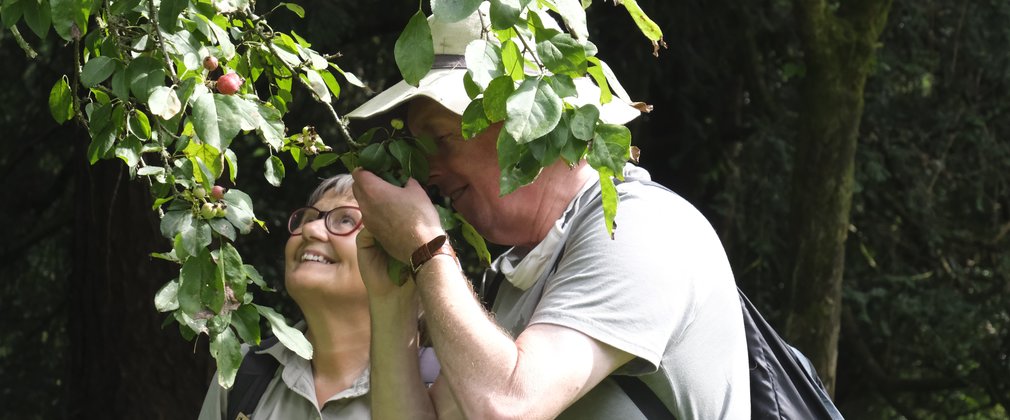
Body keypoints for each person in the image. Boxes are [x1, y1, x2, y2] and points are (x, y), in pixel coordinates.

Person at [348, 4, 750, 420]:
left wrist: (426, 250)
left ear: (531, 119)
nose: (428, 172)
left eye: (442, 138)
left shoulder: (644, 227)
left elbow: (508, 406)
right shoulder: (515, 277)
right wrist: (392, 299)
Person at [198, 174, 419, 419]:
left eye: (345, 220)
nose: (311, 230)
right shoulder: (242, 370)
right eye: (309, 218)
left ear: (399, 261)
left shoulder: (437, 385)